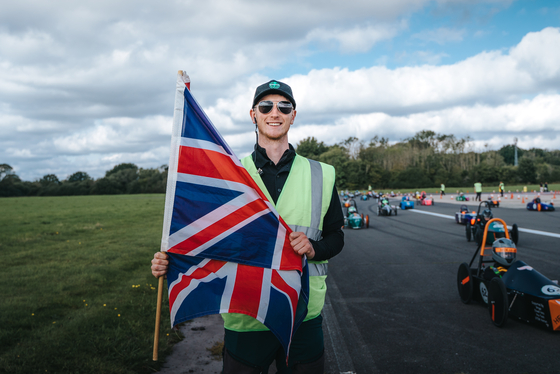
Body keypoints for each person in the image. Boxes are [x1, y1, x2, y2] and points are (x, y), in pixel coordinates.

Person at [151, 79, 344, 373]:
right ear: (253, 114)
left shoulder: (322, 174)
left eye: (284, 106)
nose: (275, 113)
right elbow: (206, 239)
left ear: (294, 115)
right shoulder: (229, 176)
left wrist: (315, 248)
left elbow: (336, 236)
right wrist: (171, 260)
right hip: (246, 315)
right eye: (266, 106)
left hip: (302, 313)